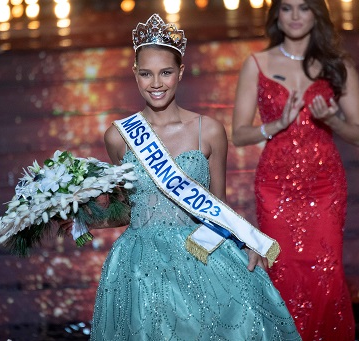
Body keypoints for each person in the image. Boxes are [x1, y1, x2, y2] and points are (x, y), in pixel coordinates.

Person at [83, 13, 301, 341]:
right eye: (146, 74)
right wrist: (78, 214)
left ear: (181, 72)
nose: (156, 83)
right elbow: (128, 209)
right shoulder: (119, 137)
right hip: (139, 265)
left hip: (200, 253)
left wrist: (245, 239)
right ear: (135, 75)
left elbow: (218, 203)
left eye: (166, 72)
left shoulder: (208, 130)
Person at [232, 0, 359, 340]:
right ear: (276, 13)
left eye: (303, 8)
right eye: (287, 8)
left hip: (324, 188)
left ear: (316, 14)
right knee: (282, 269)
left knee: (326, 272)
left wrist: (331, 119)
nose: (294, 16)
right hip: (275, 188)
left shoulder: (338, 66)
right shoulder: (256, 64)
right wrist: (277, 123)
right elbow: (239, 133)